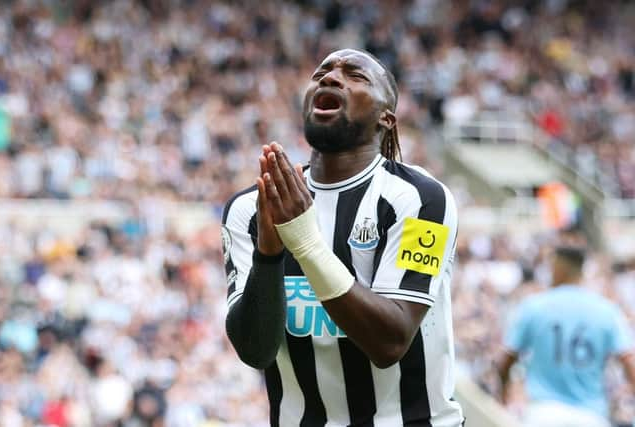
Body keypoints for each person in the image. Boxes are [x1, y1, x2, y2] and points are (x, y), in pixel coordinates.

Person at [222, 48, 464, 426]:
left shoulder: (422, 199)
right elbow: (255, 351)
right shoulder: (251, 207)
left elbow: (390, 342)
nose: (330, 78)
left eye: (356, 76)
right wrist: (268, 255)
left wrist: (304, 243)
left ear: (386, 118)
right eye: (322, 73)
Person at [498, 245, 635, 427]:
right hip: (590, 415)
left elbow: (507, 358)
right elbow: (628, 361)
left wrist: (503, 391)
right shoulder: (606, 310)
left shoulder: (534, 306)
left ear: (558, 268)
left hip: (542, 414)